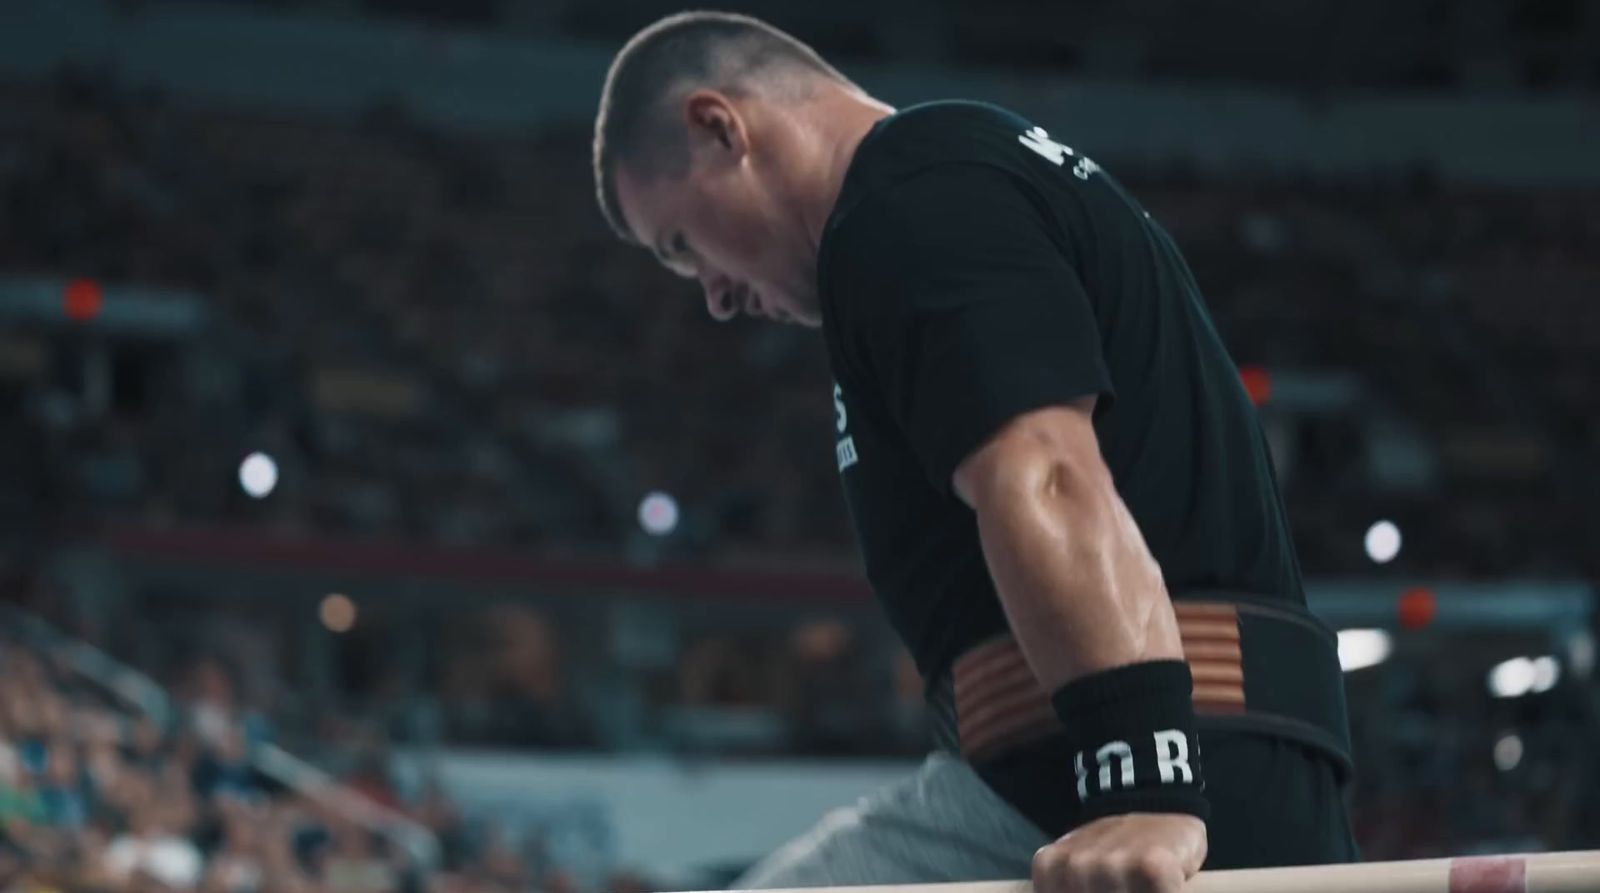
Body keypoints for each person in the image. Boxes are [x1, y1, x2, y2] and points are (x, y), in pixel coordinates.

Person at [590, 12, 1358, 893]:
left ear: (719, 126)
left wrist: (1142, 781)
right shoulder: (926, 197)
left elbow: (1048, 471)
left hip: (1152, 773)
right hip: (1077, 775)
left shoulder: (910, 201)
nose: (714, 299)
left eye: (682, 247)